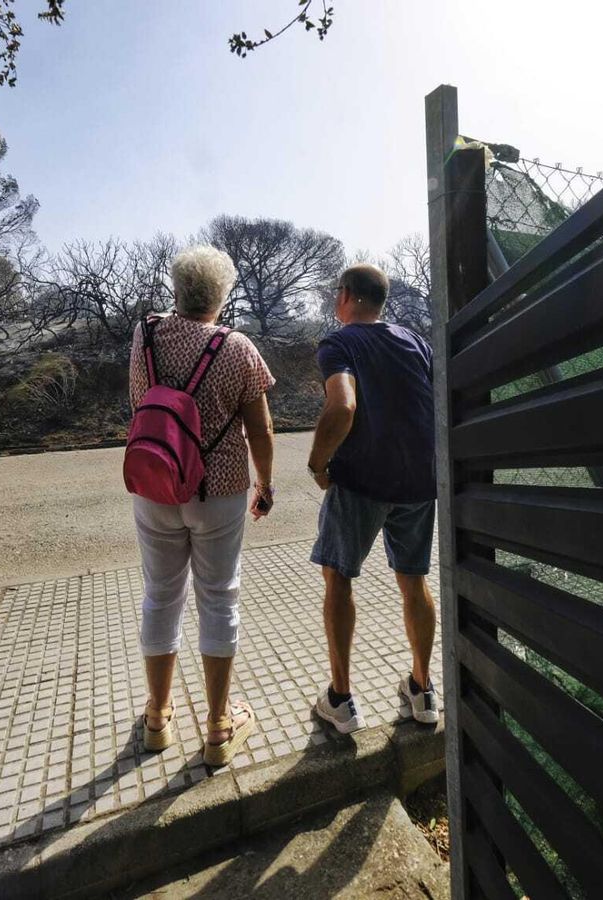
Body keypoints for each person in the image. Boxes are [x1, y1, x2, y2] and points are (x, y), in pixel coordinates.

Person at [128, 245, 276, 767]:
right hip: (220, 490)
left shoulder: (144, 333)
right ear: (222, 295)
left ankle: (157, 717)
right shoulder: (238, 348)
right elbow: (259, 427)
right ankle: (217, 727)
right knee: (219, 597)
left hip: (154, 483)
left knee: (160, 596)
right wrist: (266, 484)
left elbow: (138, 402)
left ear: (176, 288)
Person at [306, 263, 439, 734]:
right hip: (420, 483)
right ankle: (422, 691)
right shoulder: (416, 342)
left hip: (361, 481)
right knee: (414, 580)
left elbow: (342, 406)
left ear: (346, 296)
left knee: (338, 579)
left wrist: (318, 464)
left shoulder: (339, 343)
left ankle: (341, 700)